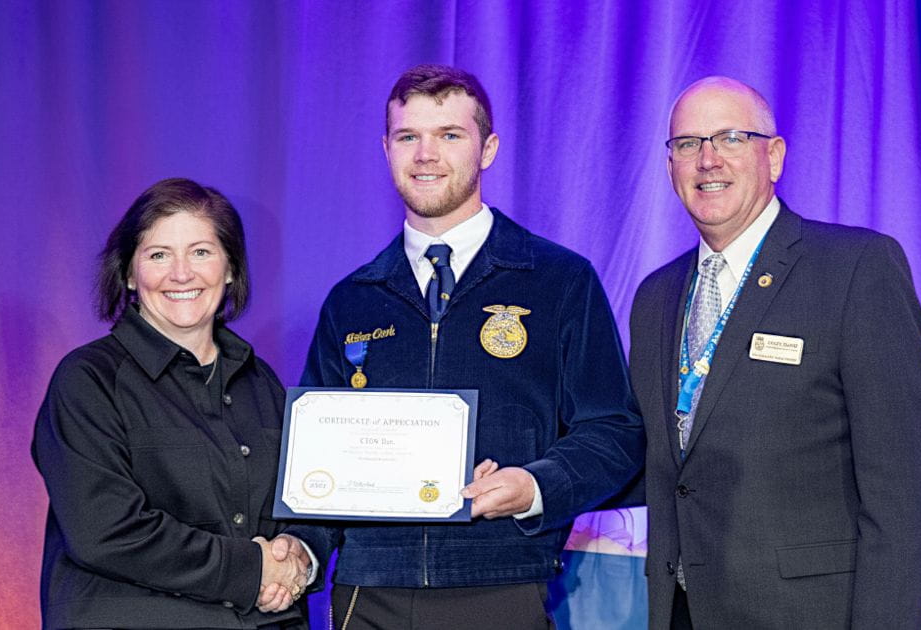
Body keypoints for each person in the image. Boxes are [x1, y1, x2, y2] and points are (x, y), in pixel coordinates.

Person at [285, 64, 645, 630]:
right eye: (409, 137)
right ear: (386, 149)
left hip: (501, 580)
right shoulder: (351, 300)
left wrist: (534, 486)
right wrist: (300, 550)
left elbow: (614, 431)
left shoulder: (558, 280)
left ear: (488, 148)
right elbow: (317, 463)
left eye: (449, 135)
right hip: (369, 589)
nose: (426, 154)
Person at [630, 77, 921, 629]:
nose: (707, 160)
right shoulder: (655, 296)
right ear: (669, 166)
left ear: (772, 156)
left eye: (730, 138)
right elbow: (657, 458)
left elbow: (904, 496)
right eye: (688, 144)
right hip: (682, 613)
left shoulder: (856, 269)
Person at [32, 178, 311, 629]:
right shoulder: (88, 380)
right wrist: (251, 570)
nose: (181, 273)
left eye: (201, 252)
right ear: (128, 273)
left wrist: (297, 557)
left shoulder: (262, 385)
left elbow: (295, 512)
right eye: (158, 255)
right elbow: (106, 532)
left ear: (231, 269)